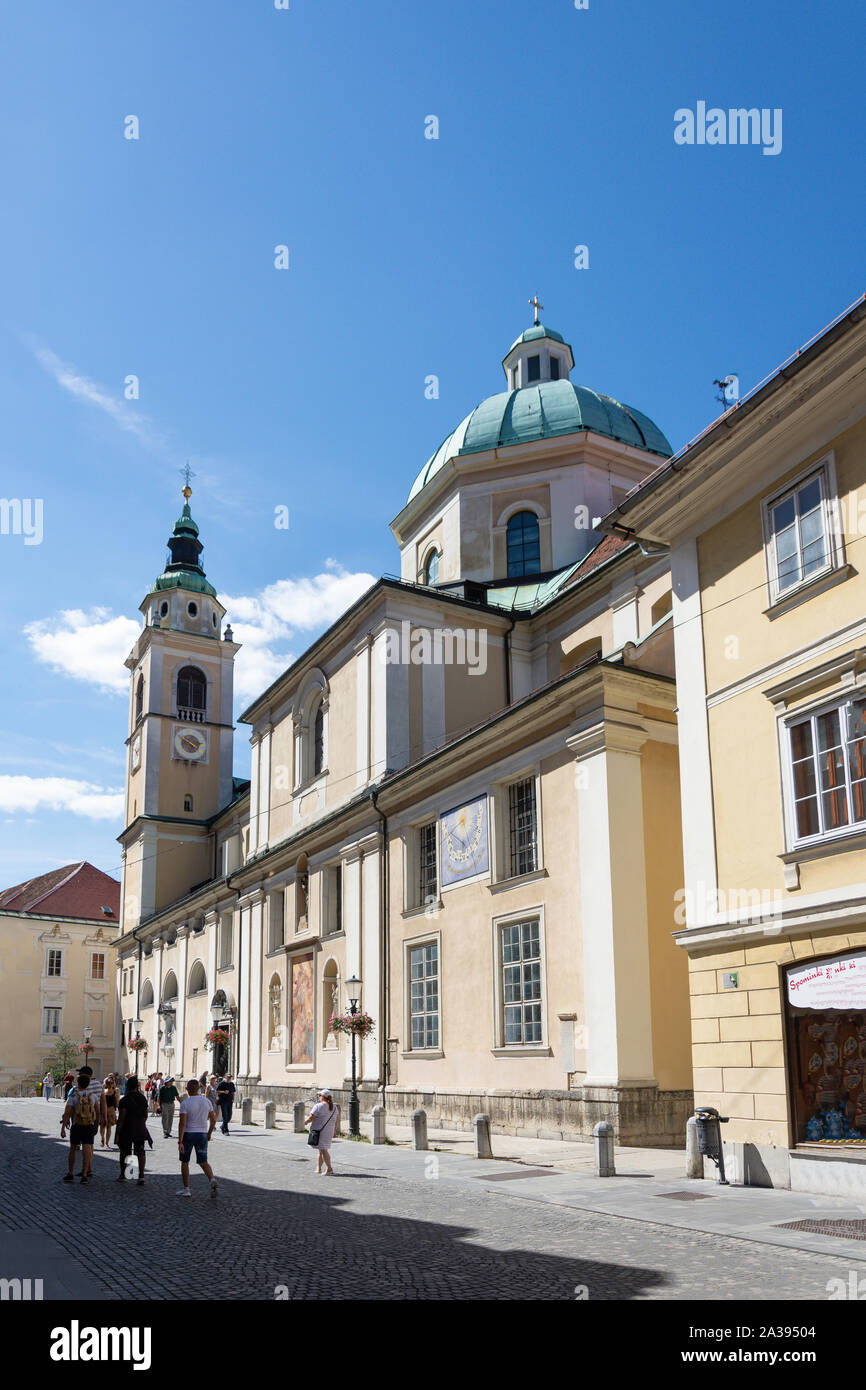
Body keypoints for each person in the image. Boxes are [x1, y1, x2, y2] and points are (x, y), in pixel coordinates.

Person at [176, 1079, 218, 1199]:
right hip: (202, 1134)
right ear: (199, 1089)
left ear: (188, 1090)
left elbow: (182, 1123)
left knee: (185, 1161)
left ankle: (186, 1189)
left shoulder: (185, 1103)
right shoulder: (207, 1102)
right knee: (203, 1161)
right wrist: (209, 1133)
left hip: (189, 1134)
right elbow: (213, 1119)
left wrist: (180, 1140)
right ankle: (212, 1179)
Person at [60, 1074, 99, 1184]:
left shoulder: (73, 1097)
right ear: (88, 1084)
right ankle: (85, 1175)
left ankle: (70, 1173)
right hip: (88, 1126)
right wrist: (96, 1126)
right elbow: (97, 1112)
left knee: (73, 1149)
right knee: (87, 1149)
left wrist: (63, 1128)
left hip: (77, 1125)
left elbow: (67, 1113)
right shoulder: (93, 1097)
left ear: (78, 1083)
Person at [115, 1076, 149, 1185]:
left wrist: (117, 1132)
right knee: (140, 1151)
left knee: (125, 1151)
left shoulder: (124, 1100)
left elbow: (121, 1118)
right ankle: (141, 1175)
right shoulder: (143, 1098)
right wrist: (141, 1123)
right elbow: (145, 1115)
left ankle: (125, 1174)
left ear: (127, 1086)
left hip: (127, 1128)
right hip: (139, 1127)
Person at [304, 1088, 339, 1175]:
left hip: (320, 1131)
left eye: (320, 1095)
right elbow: (336, 1120)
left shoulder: (318, 1106)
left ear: (323, 1097)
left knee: (323, 1150)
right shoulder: (334, 1107)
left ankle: (329, 1168)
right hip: (329, 1131)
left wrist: (305, 1122)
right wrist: (334, 1131)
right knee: (321, 1150)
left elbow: (312, 1117)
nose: (319, 1097)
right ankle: (318, 1168)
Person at [101, 1076, 119, 1147]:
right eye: (108, 1083)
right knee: (102, 1127)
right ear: (106, 1083)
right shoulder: (103, 1092)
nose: (110, 1084)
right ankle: (102, 1139)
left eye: (111, 1083)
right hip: (103, 1111)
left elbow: (117, 1104)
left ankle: (107, 1143)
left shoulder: (115, 1093)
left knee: (109, 1127)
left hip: (111, 1112)